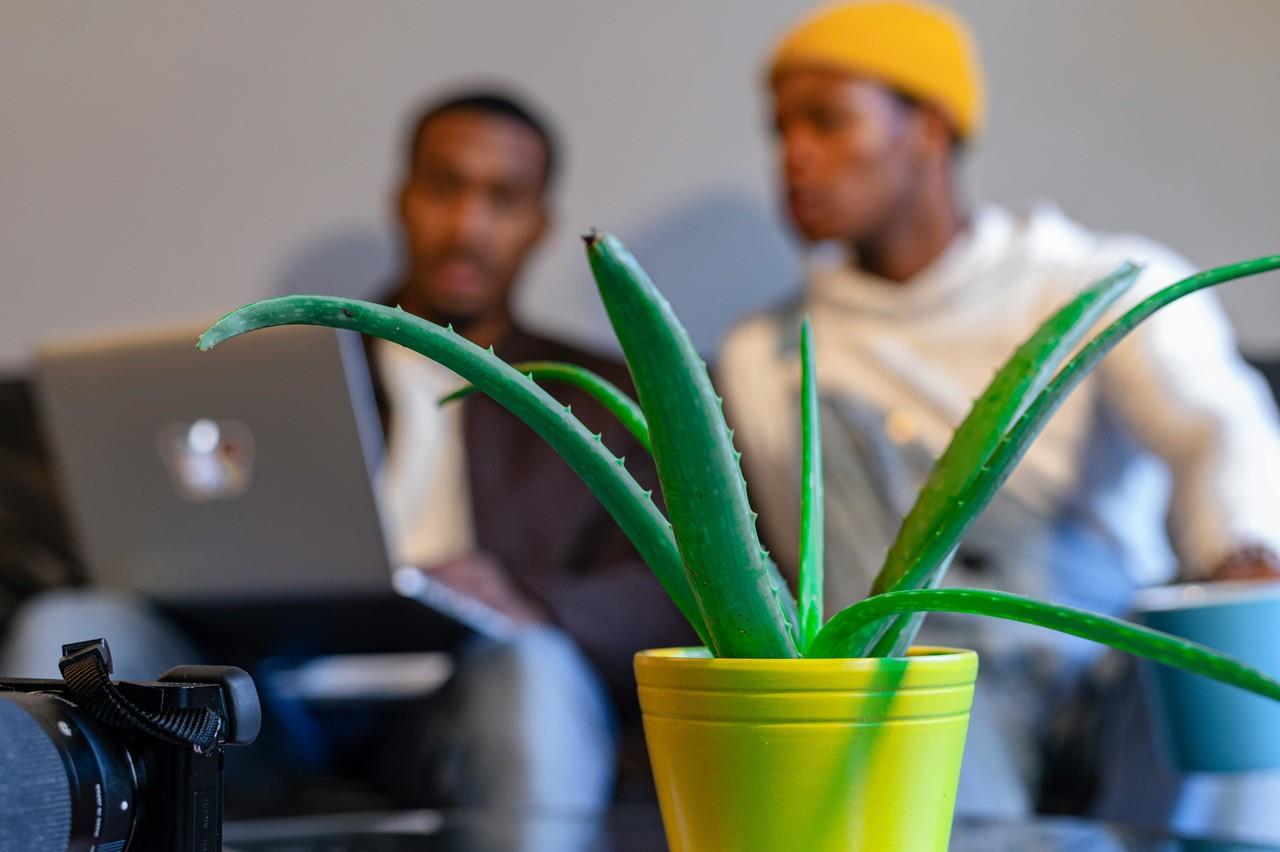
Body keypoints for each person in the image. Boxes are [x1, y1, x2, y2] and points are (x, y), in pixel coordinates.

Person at [2, 90, 694, 814]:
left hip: (459, 701)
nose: (467, 226)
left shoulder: (601, 394)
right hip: (254, 704)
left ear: (541, 224)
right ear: (402, 199)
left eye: (503, 197)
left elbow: (675, 588)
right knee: (67, 624)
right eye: (444, 187)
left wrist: (528, 602)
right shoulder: (272, 367)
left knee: (535, 663)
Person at [718, 0, 1280, 838]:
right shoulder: (765, 354)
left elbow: (1213, 422)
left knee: (1236, 670)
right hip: (920, 686)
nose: (794, 156)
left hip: (1112, 668)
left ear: (929, 131)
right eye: (782, 129)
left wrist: (1241, 551)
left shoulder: (1088, 285)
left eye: (827, 122)